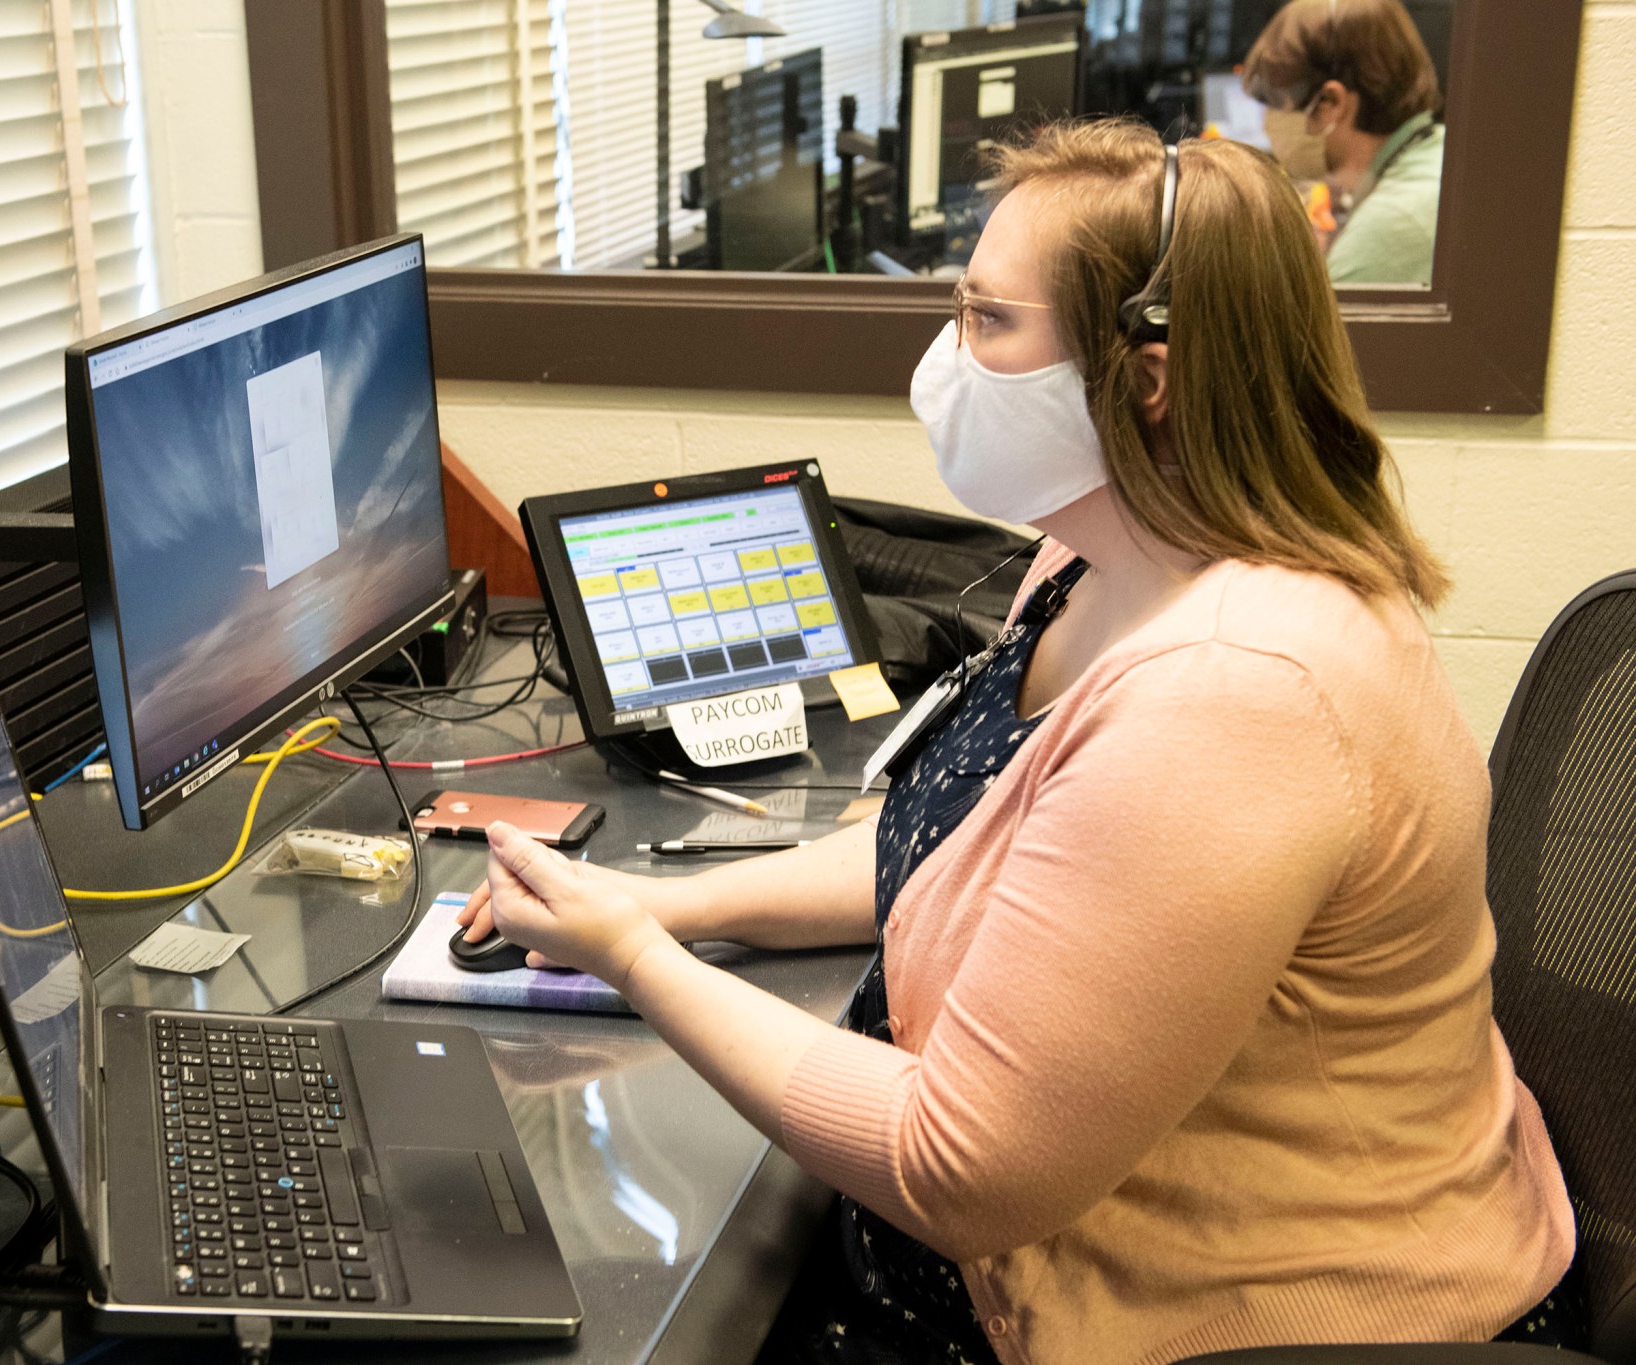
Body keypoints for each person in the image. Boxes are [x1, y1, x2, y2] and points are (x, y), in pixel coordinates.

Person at [453, 117, 1578, 1364]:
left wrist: (631, 962)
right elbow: (951, 838)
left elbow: (958, 1170)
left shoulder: (1231, 693)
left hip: (1246, 1319)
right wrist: (672, 903)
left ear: (1144, 372)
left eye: (988, 323)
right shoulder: (1103, 556)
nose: (945, 359)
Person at [1244, 0, 1447, 285]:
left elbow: (1323, 329)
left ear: (1331, 103)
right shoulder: (1438, 154)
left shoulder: (1386, 230)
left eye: (1276, 104)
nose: (1267, 126)